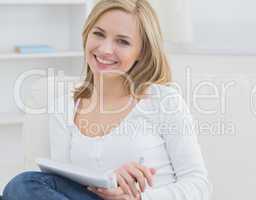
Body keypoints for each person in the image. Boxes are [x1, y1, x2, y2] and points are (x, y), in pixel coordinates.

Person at [2, 0, 211, 199]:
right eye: (99, 34)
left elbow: (199, 185)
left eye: (122, 41)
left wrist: (138, 197)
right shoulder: (64, 107)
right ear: (87, 34)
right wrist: (110, 181)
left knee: (22, 186)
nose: (105, 49)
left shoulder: (163, 101)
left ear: (142, 52)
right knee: (23, 187)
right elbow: (62, 185)